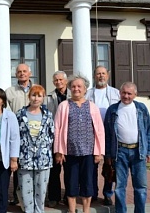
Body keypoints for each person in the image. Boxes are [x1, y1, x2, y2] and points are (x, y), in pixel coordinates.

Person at [54, 74, 105, 213]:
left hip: (89, 152)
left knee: (87, 183)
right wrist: (59, 150)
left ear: (85, 89)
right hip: (70, 152)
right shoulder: (64, 105)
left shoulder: (92, 106)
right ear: (70, 88)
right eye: (73, 86)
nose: (76, 89)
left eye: (79, 86)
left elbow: (99, 130)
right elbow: (57, 129)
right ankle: (71, 210)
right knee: (71, 182)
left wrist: (99, 152)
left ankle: (86, 210)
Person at [104, 82, 150, 213]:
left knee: (141, 187)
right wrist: (108, 155)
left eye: (129, 93)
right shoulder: (112, 110)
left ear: (135, 95)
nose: (126, 96)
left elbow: (149, 130)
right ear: (119, 93)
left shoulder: (141, 108)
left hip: (139, 152)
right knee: (120, 186)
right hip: (120, 152)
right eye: (123, 93)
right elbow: (108, 135)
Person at [85, 66, 120, 205]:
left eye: (103, 73)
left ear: (108, 75)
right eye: (98, 74)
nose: (101, 76)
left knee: (109, 165)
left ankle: (107, 194)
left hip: (110, 134)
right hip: (92, 133)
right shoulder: (88, 94)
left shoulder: (116, 93)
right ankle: (92, 192)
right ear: (94, 76)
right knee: (91, 165)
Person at [17, 85, 54, 213]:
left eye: (39, 96)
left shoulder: (48, 115)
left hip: (43, 160)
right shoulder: (20, 114)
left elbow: (51, 135)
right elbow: (16, 135)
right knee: (26, 192)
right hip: (25, 159)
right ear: (29, 96)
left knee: (41, 192)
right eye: (33, 95)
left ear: (43, 98)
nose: (36, 98)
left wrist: (42, 147)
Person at [5, 63, 33, 205]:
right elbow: (8, 113)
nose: (22, 74)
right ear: (16, 74)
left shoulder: (37, 89)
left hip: (34, 136)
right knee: (17, 166)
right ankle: (17, 196)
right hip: (17, 135)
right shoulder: (9, 92)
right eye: (19, 71)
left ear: (30, 73)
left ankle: (32, 196)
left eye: (24, 71)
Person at [45, 71, 71, 208]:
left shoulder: (73, 95)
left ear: (66, 81)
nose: (58, 82)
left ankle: (69, 196)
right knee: (54, 170)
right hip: (54, 137)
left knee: (69, 169)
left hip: (70, 138)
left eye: (61, 79)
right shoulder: (48, 97)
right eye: (55, 80)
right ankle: (54, 197)